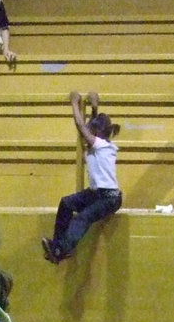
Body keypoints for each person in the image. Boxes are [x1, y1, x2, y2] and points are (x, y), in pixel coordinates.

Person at [42, 92, 122, 264]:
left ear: (96, 133)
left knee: (82, 218)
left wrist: (74, 104)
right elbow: (91, 127)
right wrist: (94, 108)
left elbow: (81, 125)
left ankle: (61, 249)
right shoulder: (100, 144)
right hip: (97, 193)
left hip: (109, 197)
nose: (87, 134)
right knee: (66, 203)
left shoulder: (100, 145)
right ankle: (58, 245)